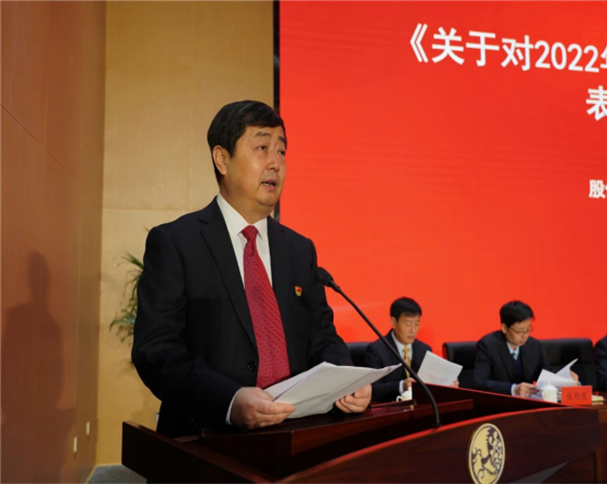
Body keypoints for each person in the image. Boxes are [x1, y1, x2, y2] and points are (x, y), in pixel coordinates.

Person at [132, 100, 370, 437]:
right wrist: (229, 401)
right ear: (222, 159)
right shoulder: (176, 243)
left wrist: (347, 380)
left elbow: (323, 338)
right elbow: (157, 351)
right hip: (206, 441)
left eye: (281, 151)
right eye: (262, 148)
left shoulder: (299, 250)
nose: (275, 163)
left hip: (296, 436)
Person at [474, 300, 577, 397]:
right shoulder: (488, 345)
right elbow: (479, 383)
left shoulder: (534, 346)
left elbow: (546, 374)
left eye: (528, 330)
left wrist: (565, 379)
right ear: (504, 328)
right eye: (519, 331)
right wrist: (513, 389)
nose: (524, 336)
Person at [364, 297, 457, 402]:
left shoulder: (424, 349)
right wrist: (401, 385)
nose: (413, 330)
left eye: (416, 324)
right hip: (391, 408)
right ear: (393, 322)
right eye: (408, 324)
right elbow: (372, 389)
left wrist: (447, 384)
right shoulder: (377, 349)